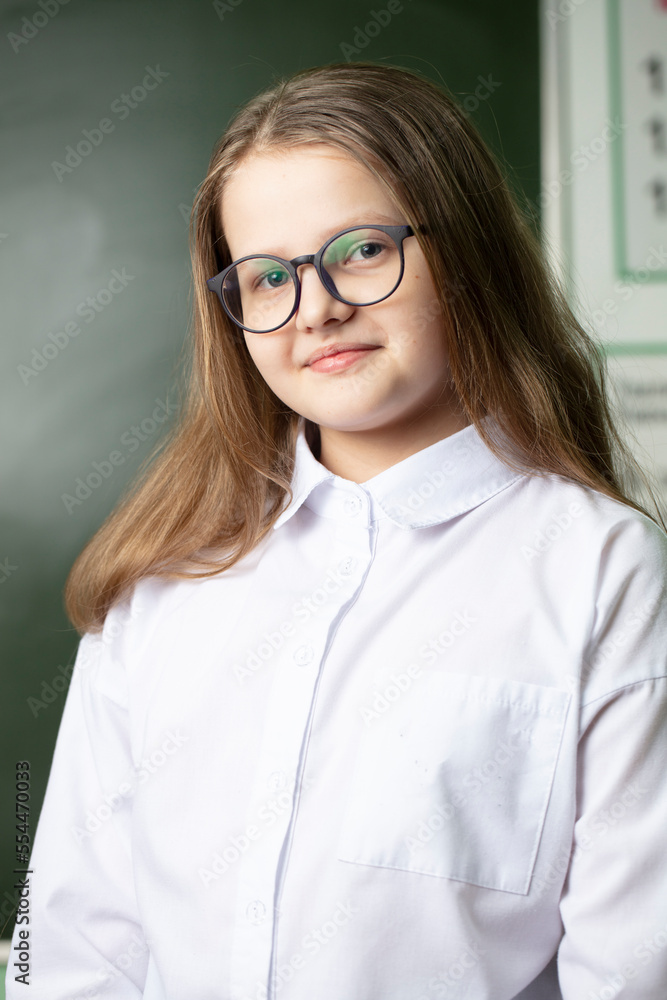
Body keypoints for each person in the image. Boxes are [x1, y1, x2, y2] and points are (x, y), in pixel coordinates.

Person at [7, 62, 667, 1000]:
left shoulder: (598, 569)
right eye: (268, 277)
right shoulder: (168, 574)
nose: (315, 308)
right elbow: (73, 950)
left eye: (359, 250)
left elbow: (633, 971)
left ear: (465, 253)